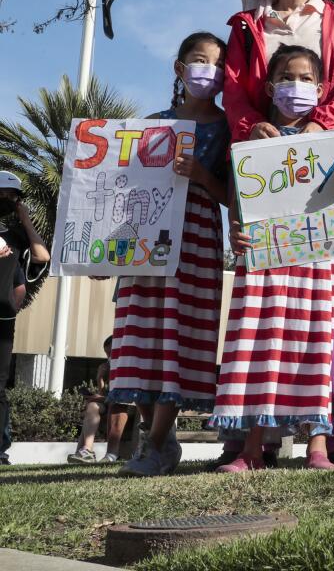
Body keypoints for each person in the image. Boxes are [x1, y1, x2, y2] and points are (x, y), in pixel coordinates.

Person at [220, 0, 334, 467]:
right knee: (261, 302)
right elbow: (236, 93)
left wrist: (316, 128)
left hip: (329, 169)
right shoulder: (247, 26)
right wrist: (252, 129)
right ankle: (249, 439)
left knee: (324, 304)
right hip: (266, 171)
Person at [210, 45, 334, 472]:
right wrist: (236, 230)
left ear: (321, 87)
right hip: (262, 261)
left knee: (314, 344)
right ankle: (251, 450)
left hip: (314, 260)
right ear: (271, 87)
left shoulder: (330, 141)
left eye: (306, 79)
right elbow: (239, 197)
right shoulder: (251, 140)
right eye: (288, 78)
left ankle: (318, 447)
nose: (297, 86)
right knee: (258, 345)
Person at [107, 32, 231, 477]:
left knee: (179, 337)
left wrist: (200, 174)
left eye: (218, 65)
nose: (208, 72)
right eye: (200, 61)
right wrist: (107, 256)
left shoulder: (229, 127)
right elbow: (122, 193)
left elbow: (237, 198)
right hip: (146, 236)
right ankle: (158, 440)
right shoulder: (152, 123)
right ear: (179, 69)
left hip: (197, 236)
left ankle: (155, 445)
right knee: (141, 337)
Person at [0, 170, 49, 465]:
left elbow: (42, 256)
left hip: (3, 319)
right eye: (2, 195)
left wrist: (26, 219)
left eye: (12, 197)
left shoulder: (16, 235)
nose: (6, 201)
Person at [67, 336, 131, 464]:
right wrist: (100, 379)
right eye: (107, 354)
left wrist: (102, 398)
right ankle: (86, 450)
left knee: (96, 405)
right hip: (111, 403)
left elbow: (123, 397)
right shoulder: (110, 367)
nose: (109, 357)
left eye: (111, 353)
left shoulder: (126, 365)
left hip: (125, 406)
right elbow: (105, 394)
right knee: (92, 406)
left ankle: (82, 451)